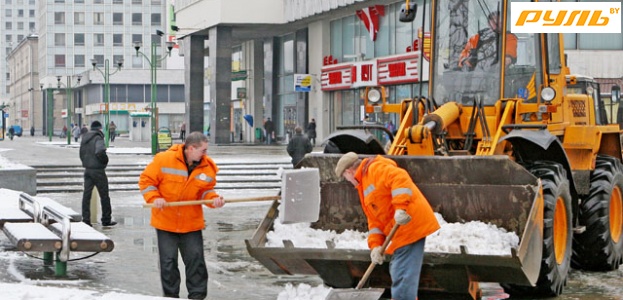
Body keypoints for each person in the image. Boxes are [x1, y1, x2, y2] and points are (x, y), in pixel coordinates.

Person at [334, 152, 440, 300]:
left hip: (410, 224)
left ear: (349, 171)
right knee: (398, 271)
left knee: (401, 273)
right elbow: (374, 221)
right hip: (401, 231)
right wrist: (375, 246)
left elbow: (400, 177)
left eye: (346, 178)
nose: (348, 181)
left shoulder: (375, 169)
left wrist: (400, 208)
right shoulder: (364, 185)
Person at [139, 131, 225, 299]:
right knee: (168, 263)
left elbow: (205, 192)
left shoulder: (207, 166)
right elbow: (146, 181)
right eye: (203, 150)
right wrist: (154, 198)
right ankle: (171, 296)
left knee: (196, 261)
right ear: (191, 148)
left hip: (191, 223)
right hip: (166, 221)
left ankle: (197, 296)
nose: (206, 154)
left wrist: (213, 200)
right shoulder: (164, 160)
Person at [79, 121, 116, 227]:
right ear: (99, 129)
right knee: (104, 195)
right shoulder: (98, 138)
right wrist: (105, 161)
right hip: (98, 170)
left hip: (88, 169)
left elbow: (81, 153)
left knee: (87, 195)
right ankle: (106, 219)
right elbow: (100, 151)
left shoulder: (85, 138)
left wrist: (86, 163)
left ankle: (86, 219)